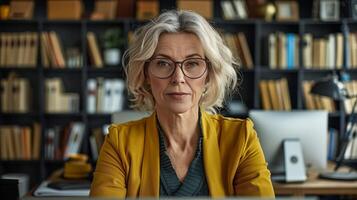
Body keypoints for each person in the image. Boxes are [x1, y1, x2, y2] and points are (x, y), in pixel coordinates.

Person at [90, 10, 274, 197]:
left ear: (209, 74)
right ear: (145, 74)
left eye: (192, 63)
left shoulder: (241, 139)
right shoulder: (119, 142)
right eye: (163, 63)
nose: (178, 78)